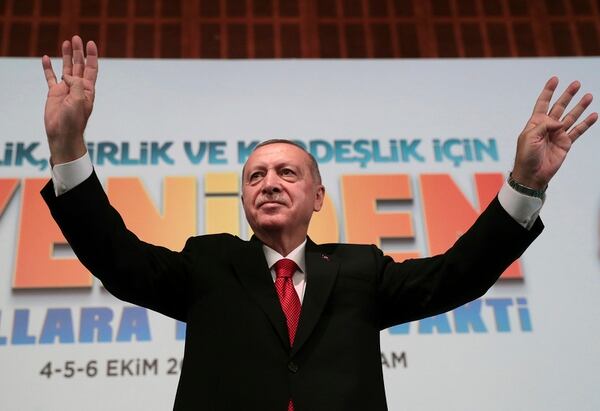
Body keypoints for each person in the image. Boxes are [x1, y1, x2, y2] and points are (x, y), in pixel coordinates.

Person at [40, 36, 596, 411]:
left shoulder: (359, 268)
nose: (269, 182)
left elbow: (458, 274)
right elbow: (117, 257)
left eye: (286, 172)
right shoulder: (209, 263)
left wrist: (524, 185)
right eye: (255, 176)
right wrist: (68, 146)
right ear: (243, 198)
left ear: (318, 196)